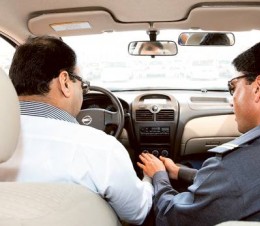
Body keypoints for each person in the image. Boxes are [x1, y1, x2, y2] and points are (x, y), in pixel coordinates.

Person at [137, 37, 260, 225]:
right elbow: (252, 186)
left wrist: (159, 176)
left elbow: (172, 217)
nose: (232, 101)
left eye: (233, 87)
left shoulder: (238, 165)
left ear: (258, 87)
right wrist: (180, 172)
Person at [0, 35, 153, 225]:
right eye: (84, 85)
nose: (83, 92)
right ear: (65, 82)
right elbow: (136, 213)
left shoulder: (4, 143)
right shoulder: (100, 148)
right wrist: (150, 179)